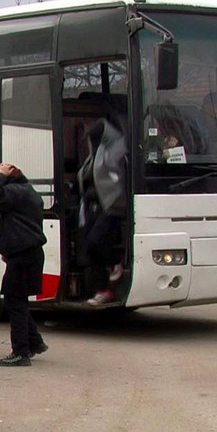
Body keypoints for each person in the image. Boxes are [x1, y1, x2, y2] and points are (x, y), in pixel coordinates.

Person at [0, 163, 48, 367]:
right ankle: (34, 342)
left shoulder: (15, 191)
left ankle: (20, 352)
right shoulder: (25, 191)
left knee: (14, 301)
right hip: (27, 253)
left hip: (22, 254)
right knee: (17, 300)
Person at [78, 120, 126, 306]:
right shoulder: (94, 155)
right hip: (92, 207)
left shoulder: (114, 149)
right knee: (90, 248)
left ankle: (116, 262)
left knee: (95, 242)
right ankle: (102, 290)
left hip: (111, 206)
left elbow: (117, 176)